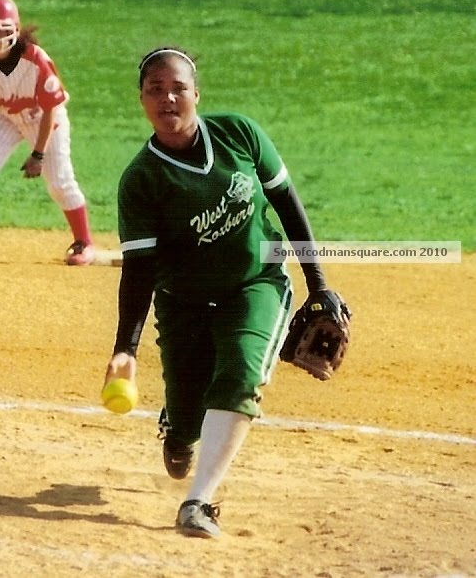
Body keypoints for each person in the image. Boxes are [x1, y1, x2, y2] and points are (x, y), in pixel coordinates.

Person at [105, 46, 335, 539]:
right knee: (184, 431)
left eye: (178, 88)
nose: (167, 97)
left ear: (196, 94)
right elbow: (139, 269)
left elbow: (287, 202)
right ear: (142, 100)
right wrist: (125, 348)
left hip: (256, 281)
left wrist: (319, 285)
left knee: (240, 371)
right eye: (155, 89)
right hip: (182, 299)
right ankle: (180, 422)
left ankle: (199, 501)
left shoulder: (238, 134)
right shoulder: (141, 179)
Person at [0, 0, 95, 265]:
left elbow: (50, 108)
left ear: (13, 29)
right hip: (8, 117)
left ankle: (84, 242)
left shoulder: (35, 59)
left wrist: (38, 154)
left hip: (45, 119)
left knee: (59, 182)